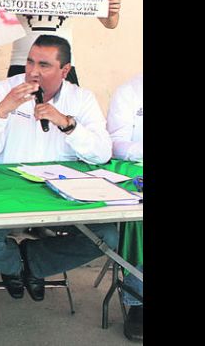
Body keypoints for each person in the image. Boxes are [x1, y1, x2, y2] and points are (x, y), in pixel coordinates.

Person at [0, 35, 118, 302]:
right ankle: (16, 266)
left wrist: (67, 123)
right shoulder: (2, 90)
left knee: (107, 235)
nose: (33, 72)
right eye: (29, 62)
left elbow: (102, 154)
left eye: (44, 65)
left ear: (65, 70)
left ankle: (32, 262)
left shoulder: (80, 99)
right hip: (8, 192)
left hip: (61, 193)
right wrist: (2, 111)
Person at [106, 73, 143, 341]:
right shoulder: (129, 91)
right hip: (137, 173)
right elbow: (116, 146)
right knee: (139, 216)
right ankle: (139, 303)